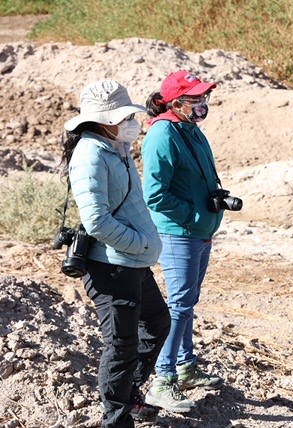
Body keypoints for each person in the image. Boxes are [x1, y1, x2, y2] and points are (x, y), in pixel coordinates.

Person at [61, 80, 171, 427]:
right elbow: (95, 221)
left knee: (156, 322)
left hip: (132, 262)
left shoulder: (116, 147)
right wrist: (140, 243)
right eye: (123, 116)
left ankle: (129, 393)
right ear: (103, 119)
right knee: (121, 345)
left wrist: (142, 246)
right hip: (111, 266)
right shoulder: (90, 154)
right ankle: (117, 418)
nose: (130, 121)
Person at [141, 70, 228, 413]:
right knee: (178, 306)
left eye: (204, 98)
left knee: (187, 302)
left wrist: (214, 200)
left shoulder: (189, 129)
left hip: (199, 231)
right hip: (179, 233)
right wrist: (194, 215)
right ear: (177, 103)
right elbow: (155, 195)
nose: (203, 104)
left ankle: (186, 367)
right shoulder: (162, 134)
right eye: (197, 100)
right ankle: (162, 380)